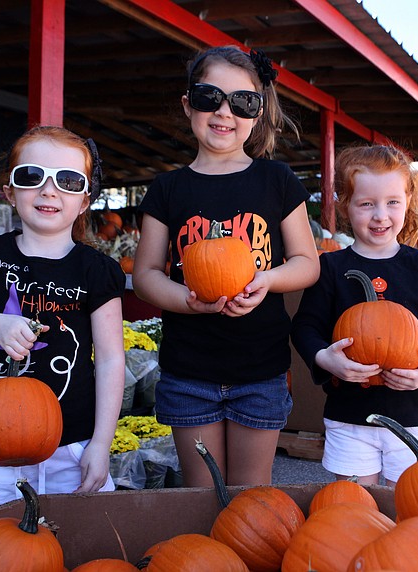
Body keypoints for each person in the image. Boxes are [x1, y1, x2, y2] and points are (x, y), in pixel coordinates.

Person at [132, 46, 320, 487]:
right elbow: (145, 276)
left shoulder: (277, 181)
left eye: (241, 102)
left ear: (257, 113)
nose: (224, 112)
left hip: (260, 371)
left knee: (251, 494)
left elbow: (307, 263)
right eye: (208, 97)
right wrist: (187, 300)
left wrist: (269, 279)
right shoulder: (167, 189)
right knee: (202, 494)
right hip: (189, 372)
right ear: (188, 104)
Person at [0, 125, 125, 511]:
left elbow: (110, 359)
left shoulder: (95, 270)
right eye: (31, 176)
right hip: (0, 444)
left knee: (84, 542)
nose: (48, 190)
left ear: (84, 200)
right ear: (10, 191)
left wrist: (101, 444)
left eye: (68, 180)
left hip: (75, 444)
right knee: (0, 542)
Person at [291, 144, 418, 487]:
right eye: (367, 203)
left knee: (413, 507)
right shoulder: (331, 267)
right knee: (357, 509)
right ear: (347, 206)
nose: (380, 215)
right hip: (349, 418)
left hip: (414, 415)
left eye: (392, 202)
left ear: (407, 201)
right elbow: (305, 327)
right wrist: (326, 359)